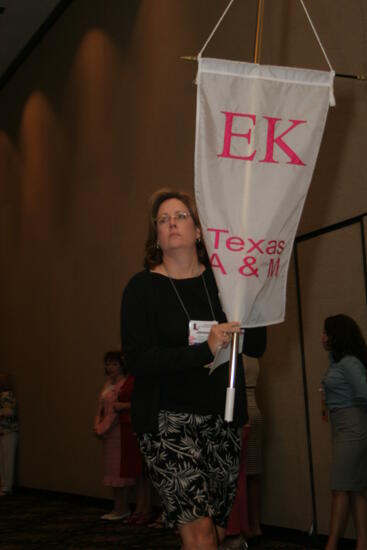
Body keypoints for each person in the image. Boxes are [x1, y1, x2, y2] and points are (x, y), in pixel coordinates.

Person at [121, 188, 266, 550]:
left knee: (214, 534)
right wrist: (205, 349)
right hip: (166, 424)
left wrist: (252, 294)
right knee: (200, 534)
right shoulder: (142, 288)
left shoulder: (225, 283)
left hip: (221, 419)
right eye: (163, 220)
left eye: (181, 216)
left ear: (199, 231)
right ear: (156, 236)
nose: (172, 224)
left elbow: (258, 345)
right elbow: (138, 359)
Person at [321, 314, 367, 550]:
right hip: (343, 427)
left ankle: (331, 545)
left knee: (340, 488)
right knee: (355, 489)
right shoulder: (340, 361)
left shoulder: (349, 363)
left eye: (327, 333)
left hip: (352, 427)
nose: (323, 338)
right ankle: (362, 542)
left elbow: (364, 392)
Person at [94, 351, 142, 520]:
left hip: (120, 430)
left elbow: (118, 408)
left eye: (114, 364)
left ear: (122, 365)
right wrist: (97, 425)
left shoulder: (125, 383)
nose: (110, 367)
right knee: (110, 469)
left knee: (120, 470)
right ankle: (117, 506)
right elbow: (100, 408)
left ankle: (122, 507)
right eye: (108, 364)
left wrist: (103, 427)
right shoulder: (108, 383)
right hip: (107, 431)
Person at [0, 373, 19, 496]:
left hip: (9, 432)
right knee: (2, 460)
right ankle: (3, 485)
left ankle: (7, 486)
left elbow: (9, 412)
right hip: (3, 432)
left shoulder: (8, 396)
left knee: (7, 460)